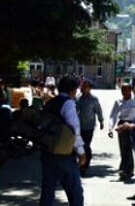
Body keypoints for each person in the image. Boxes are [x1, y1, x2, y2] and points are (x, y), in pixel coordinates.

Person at [39, 76, 86, 206]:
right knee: (75, 192)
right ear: (72, 90)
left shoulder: (50, 102)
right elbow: (74, 130)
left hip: (47, 151)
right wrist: (81, 152)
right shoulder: (69, 103)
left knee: (48, 192)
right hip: (64, 154)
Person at [108, 83, 135, 181]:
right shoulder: (118, 102)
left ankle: (127, 169)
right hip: (121, 125)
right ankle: (126, 169)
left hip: (132, 125)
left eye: (126, 90)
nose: (124, 92)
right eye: (122, 90)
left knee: (129, 148)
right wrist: (110, 128)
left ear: (130, 90)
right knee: (123, 148)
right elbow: (113, 115)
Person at [76, 80, 104, 176]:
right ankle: (80, 163)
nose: (84, 88)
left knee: (86, 146)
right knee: (79, 146)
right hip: (79, 127)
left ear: (90, 88)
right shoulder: (78, 98)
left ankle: (84, 166)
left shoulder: (94, 99)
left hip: (89, 126)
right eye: (83, 86)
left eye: (86, 86)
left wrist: (101, 121)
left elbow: (98, 110)